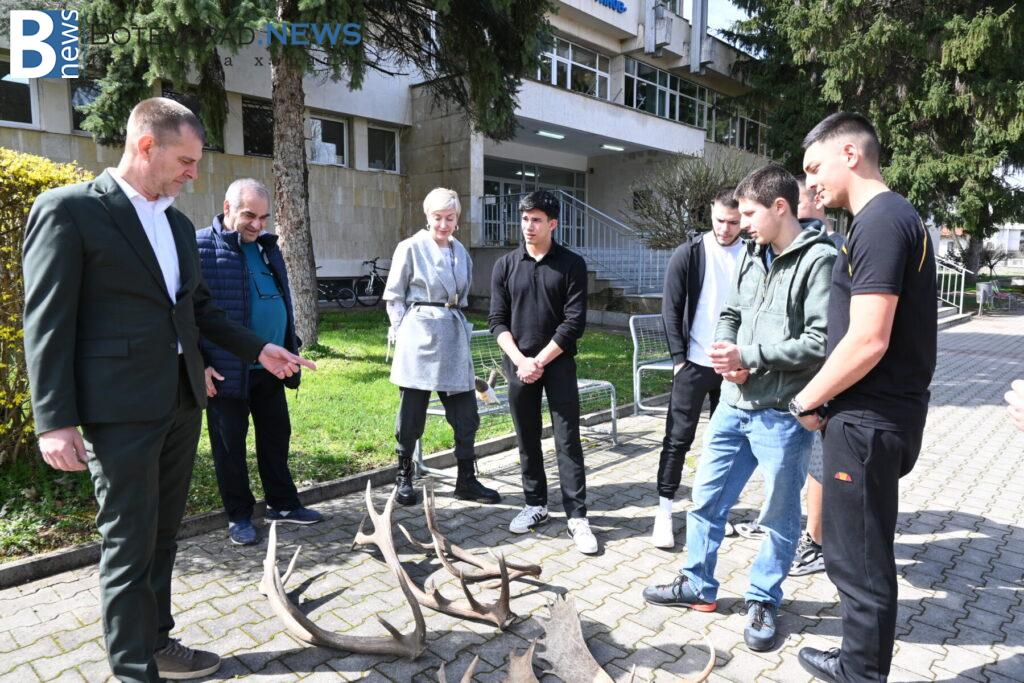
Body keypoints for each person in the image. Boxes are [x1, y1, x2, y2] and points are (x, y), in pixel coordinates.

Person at [22, 97, 314, 682]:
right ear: (146, 145)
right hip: (118, 410)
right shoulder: (69, 211)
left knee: (161, 535)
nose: (193, 174)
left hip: (181, 402)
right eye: (185, 161)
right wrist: (54, 419)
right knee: (128, 542)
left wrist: (259, 349)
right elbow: (48, 320)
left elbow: (197, 311)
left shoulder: (178, 225)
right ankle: (134, 669)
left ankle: (156, 643)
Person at [642, 165, 836, 653]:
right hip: (732, 405)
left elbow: (820, 341)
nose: (741, 223)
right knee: (706, 500)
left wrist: (748, 356)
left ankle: (763, 599)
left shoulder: (820, 260)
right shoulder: (752, 252)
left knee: (778, 515)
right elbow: (729, 313)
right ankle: (697, 584)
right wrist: (726, 355)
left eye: (748, 214)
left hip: (780, 415)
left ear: (779, 208)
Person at [793, 112, 937, 683]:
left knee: (860, 563)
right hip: (873, 418)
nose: (810, 184)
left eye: (814, 168)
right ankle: (857, 662)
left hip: (867, 423)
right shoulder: (889, 217)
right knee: (858, 553)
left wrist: (806, 400)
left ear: (850, 154)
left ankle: (860, 674)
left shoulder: (879, 221)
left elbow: (869, 339)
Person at [196, 178, 324, 546]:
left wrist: (289, 340)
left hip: (270, 367)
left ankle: (282, 504)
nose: (257, 225)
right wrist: (200, 363)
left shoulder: (268, 248)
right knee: (229, 447)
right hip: (225, 370)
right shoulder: (200, 247)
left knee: (276, 437)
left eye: (264, 218)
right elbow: (188, 312)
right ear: (227, 208)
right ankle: (238, 515)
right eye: (249, 216)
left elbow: (280, 298)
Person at [488, 189, 598, 555]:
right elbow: (497, 320)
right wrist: (521, 361)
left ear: (552, 224)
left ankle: (577, 516)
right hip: (518, 366)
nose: (528, 226)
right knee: (527, 437)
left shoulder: (571, 264)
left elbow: (573, 323)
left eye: (536, 220)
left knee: (567, 440)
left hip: (558, 364)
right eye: (524, 219)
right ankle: (535, 504)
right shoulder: (505, 265)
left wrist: (539, 360)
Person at [383, 188, 501, 507]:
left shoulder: (461, 252)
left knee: (466, 414)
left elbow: (462, 295)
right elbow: (394, 297)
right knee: (411, 414)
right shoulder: (410, 247)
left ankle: (466, 480)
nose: (444, 224)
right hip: (419, 336)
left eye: (450, 218)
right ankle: (404, 476)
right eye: (438, 218)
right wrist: (403, 333)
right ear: (427, 216)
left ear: (457, 219)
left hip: (453, 335)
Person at [652, 187, 745, 548]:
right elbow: (671, 308)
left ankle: (714, 510)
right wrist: (678, 359)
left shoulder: (753, 254)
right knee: (677, 439)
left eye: (734, 222)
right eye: (720, 220)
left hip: (734, 367)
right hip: (692, 363)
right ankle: (664, 511)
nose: (725, 228)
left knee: (727, 444)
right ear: (711, 213)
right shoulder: (689, 253)